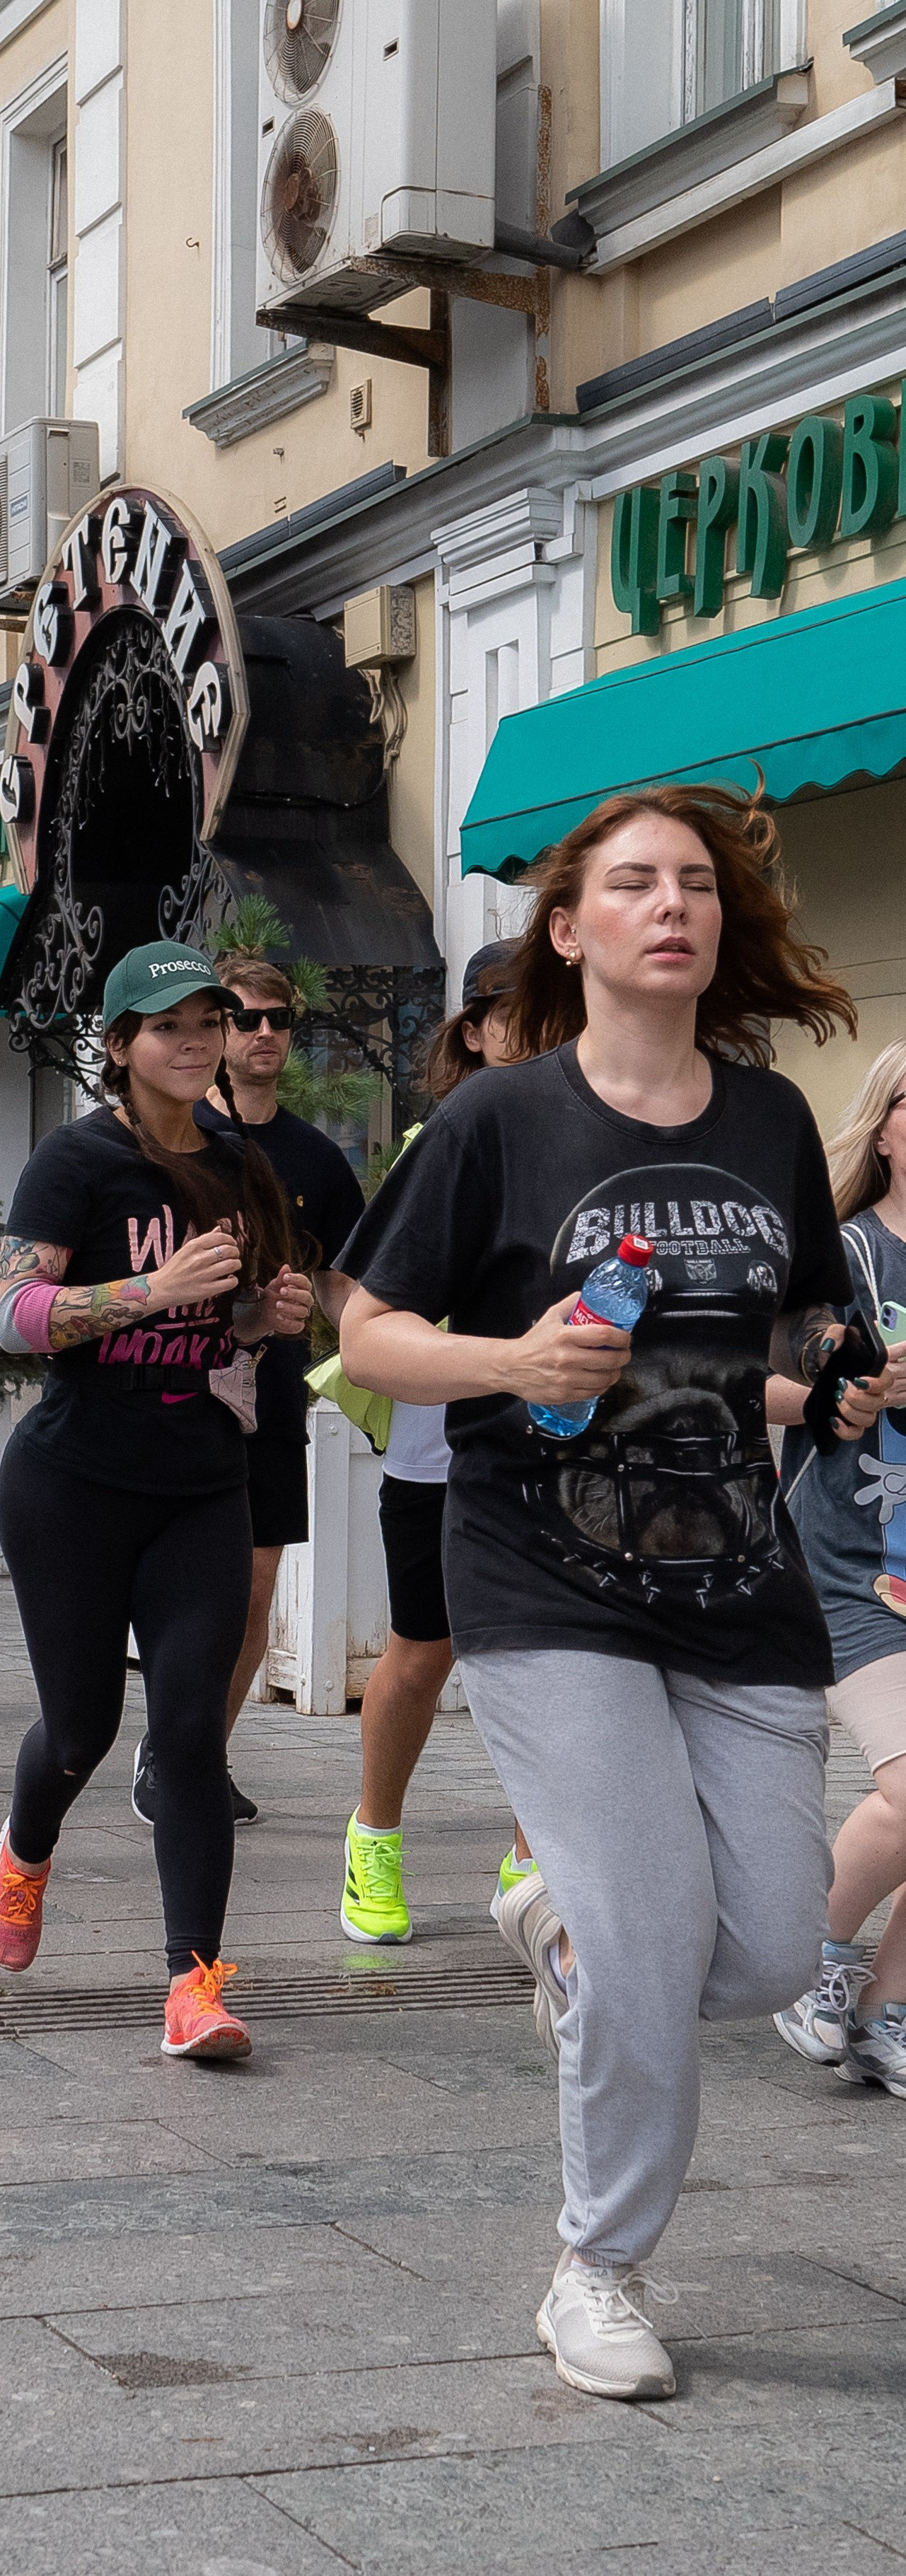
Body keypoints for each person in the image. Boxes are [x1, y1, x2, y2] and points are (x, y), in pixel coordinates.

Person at [338, 782, 883, 2402]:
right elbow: (365, 1331)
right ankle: (599, 2267)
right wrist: (510, 1356)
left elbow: (773, 1328)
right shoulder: (497, 1122)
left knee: (779, 1948)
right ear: (567, 932)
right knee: (656, 1942)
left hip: (736, 1576)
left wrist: (831, 1372)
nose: (675, 906)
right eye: (635, 884)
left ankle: (566, 1934)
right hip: (543, 1573)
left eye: (697, 885)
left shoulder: (770, 1120)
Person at [0, 940, 313, 2060]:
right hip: (71, 1485)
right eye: (167, 1025)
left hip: (200, 1485)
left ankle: (194, 1983)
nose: (195, 1042)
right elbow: (12, 1315)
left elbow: (227, 1324)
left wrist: (267, 1316)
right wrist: (147, 1290)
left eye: (208, 1022)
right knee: (80, 1726)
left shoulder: (236, 1163)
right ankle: (26, 1853)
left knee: (188, 1735)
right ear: (119, 1046)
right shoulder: (75, 1162)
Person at [129, 951, 364, 1829]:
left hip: (268, 1400)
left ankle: (192, 1757)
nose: (264, 1033)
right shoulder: (166, 1140)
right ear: (216, 1033)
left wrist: (374, 1331)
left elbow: (344, 1279)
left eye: (279, 1020)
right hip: (163, 1393)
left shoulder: (315, 1158)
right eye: (246, 1018)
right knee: (181, 1591)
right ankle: (170, 1740)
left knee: (253, 1591)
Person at [340, 941, 525, 1947]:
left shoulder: (590, 1130)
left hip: (554, 1454)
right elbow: (373, 1313)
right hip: (436, 1451)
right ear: (476, 1027)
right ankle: (374, 1835)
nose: (543, 1027)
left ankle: (534, 1854)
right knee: (421, 1653)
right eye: (517, 1008)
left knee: (546, 1656)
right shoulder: (442, 1138)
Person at [771, 1039, 906, 2097]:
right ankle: (809, 1958)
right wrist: (854, 1375)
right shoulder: (847, 1252)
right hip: (852, 1563)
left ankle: (883, 2011)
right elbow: (796, 1353)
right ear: (883, 1120)